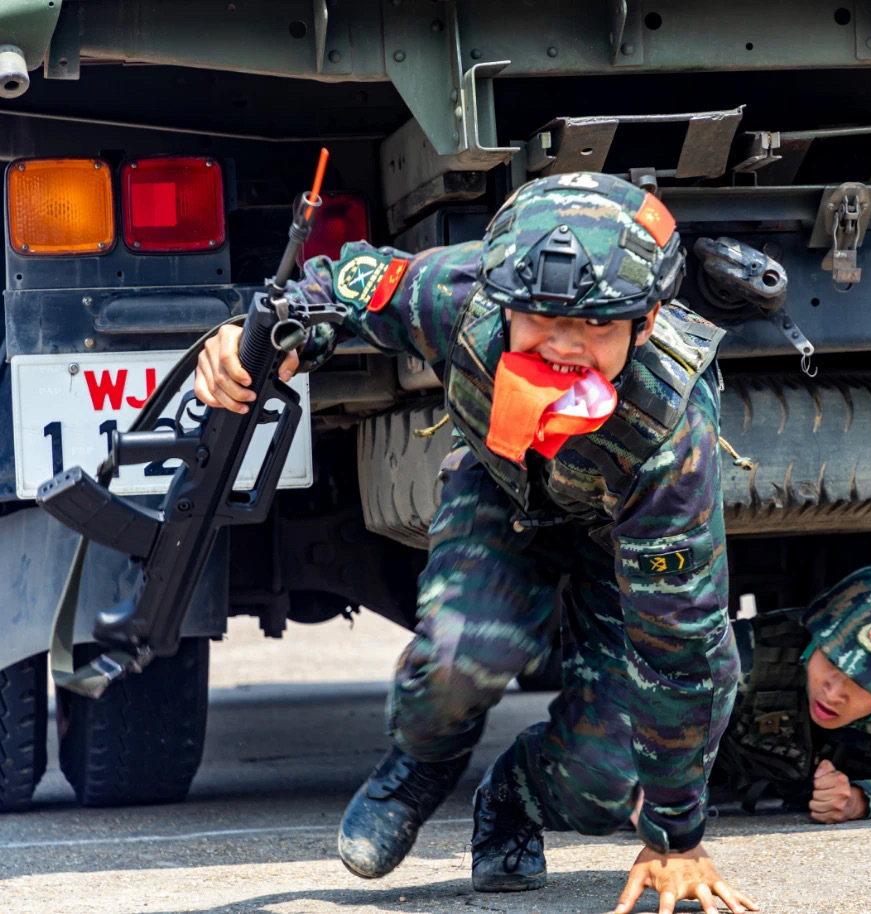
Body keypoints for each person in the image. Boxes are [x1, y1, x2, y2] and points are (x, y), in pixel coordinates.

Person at [194, 172, 757, 914]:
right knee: (459, 662)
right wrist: (260, 336)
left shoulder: (668, 434)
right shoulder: (461, 298)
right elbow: (344, 285)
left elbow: (678, 651)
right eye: (543, 320)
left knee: (604, 785)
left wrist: (674, 835)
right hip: (504, 494)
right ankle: (422, 764)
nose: (564, 349)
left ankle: (513, 795)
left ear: (646, 322)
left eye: (596, 327)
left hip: (615, 540)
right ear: (504, 302)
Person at [712, 563, 871, 823]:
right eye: (830, 661)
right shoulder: (739, 660)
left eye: (862, 683)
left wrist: (861, 800)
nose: (834, 693)